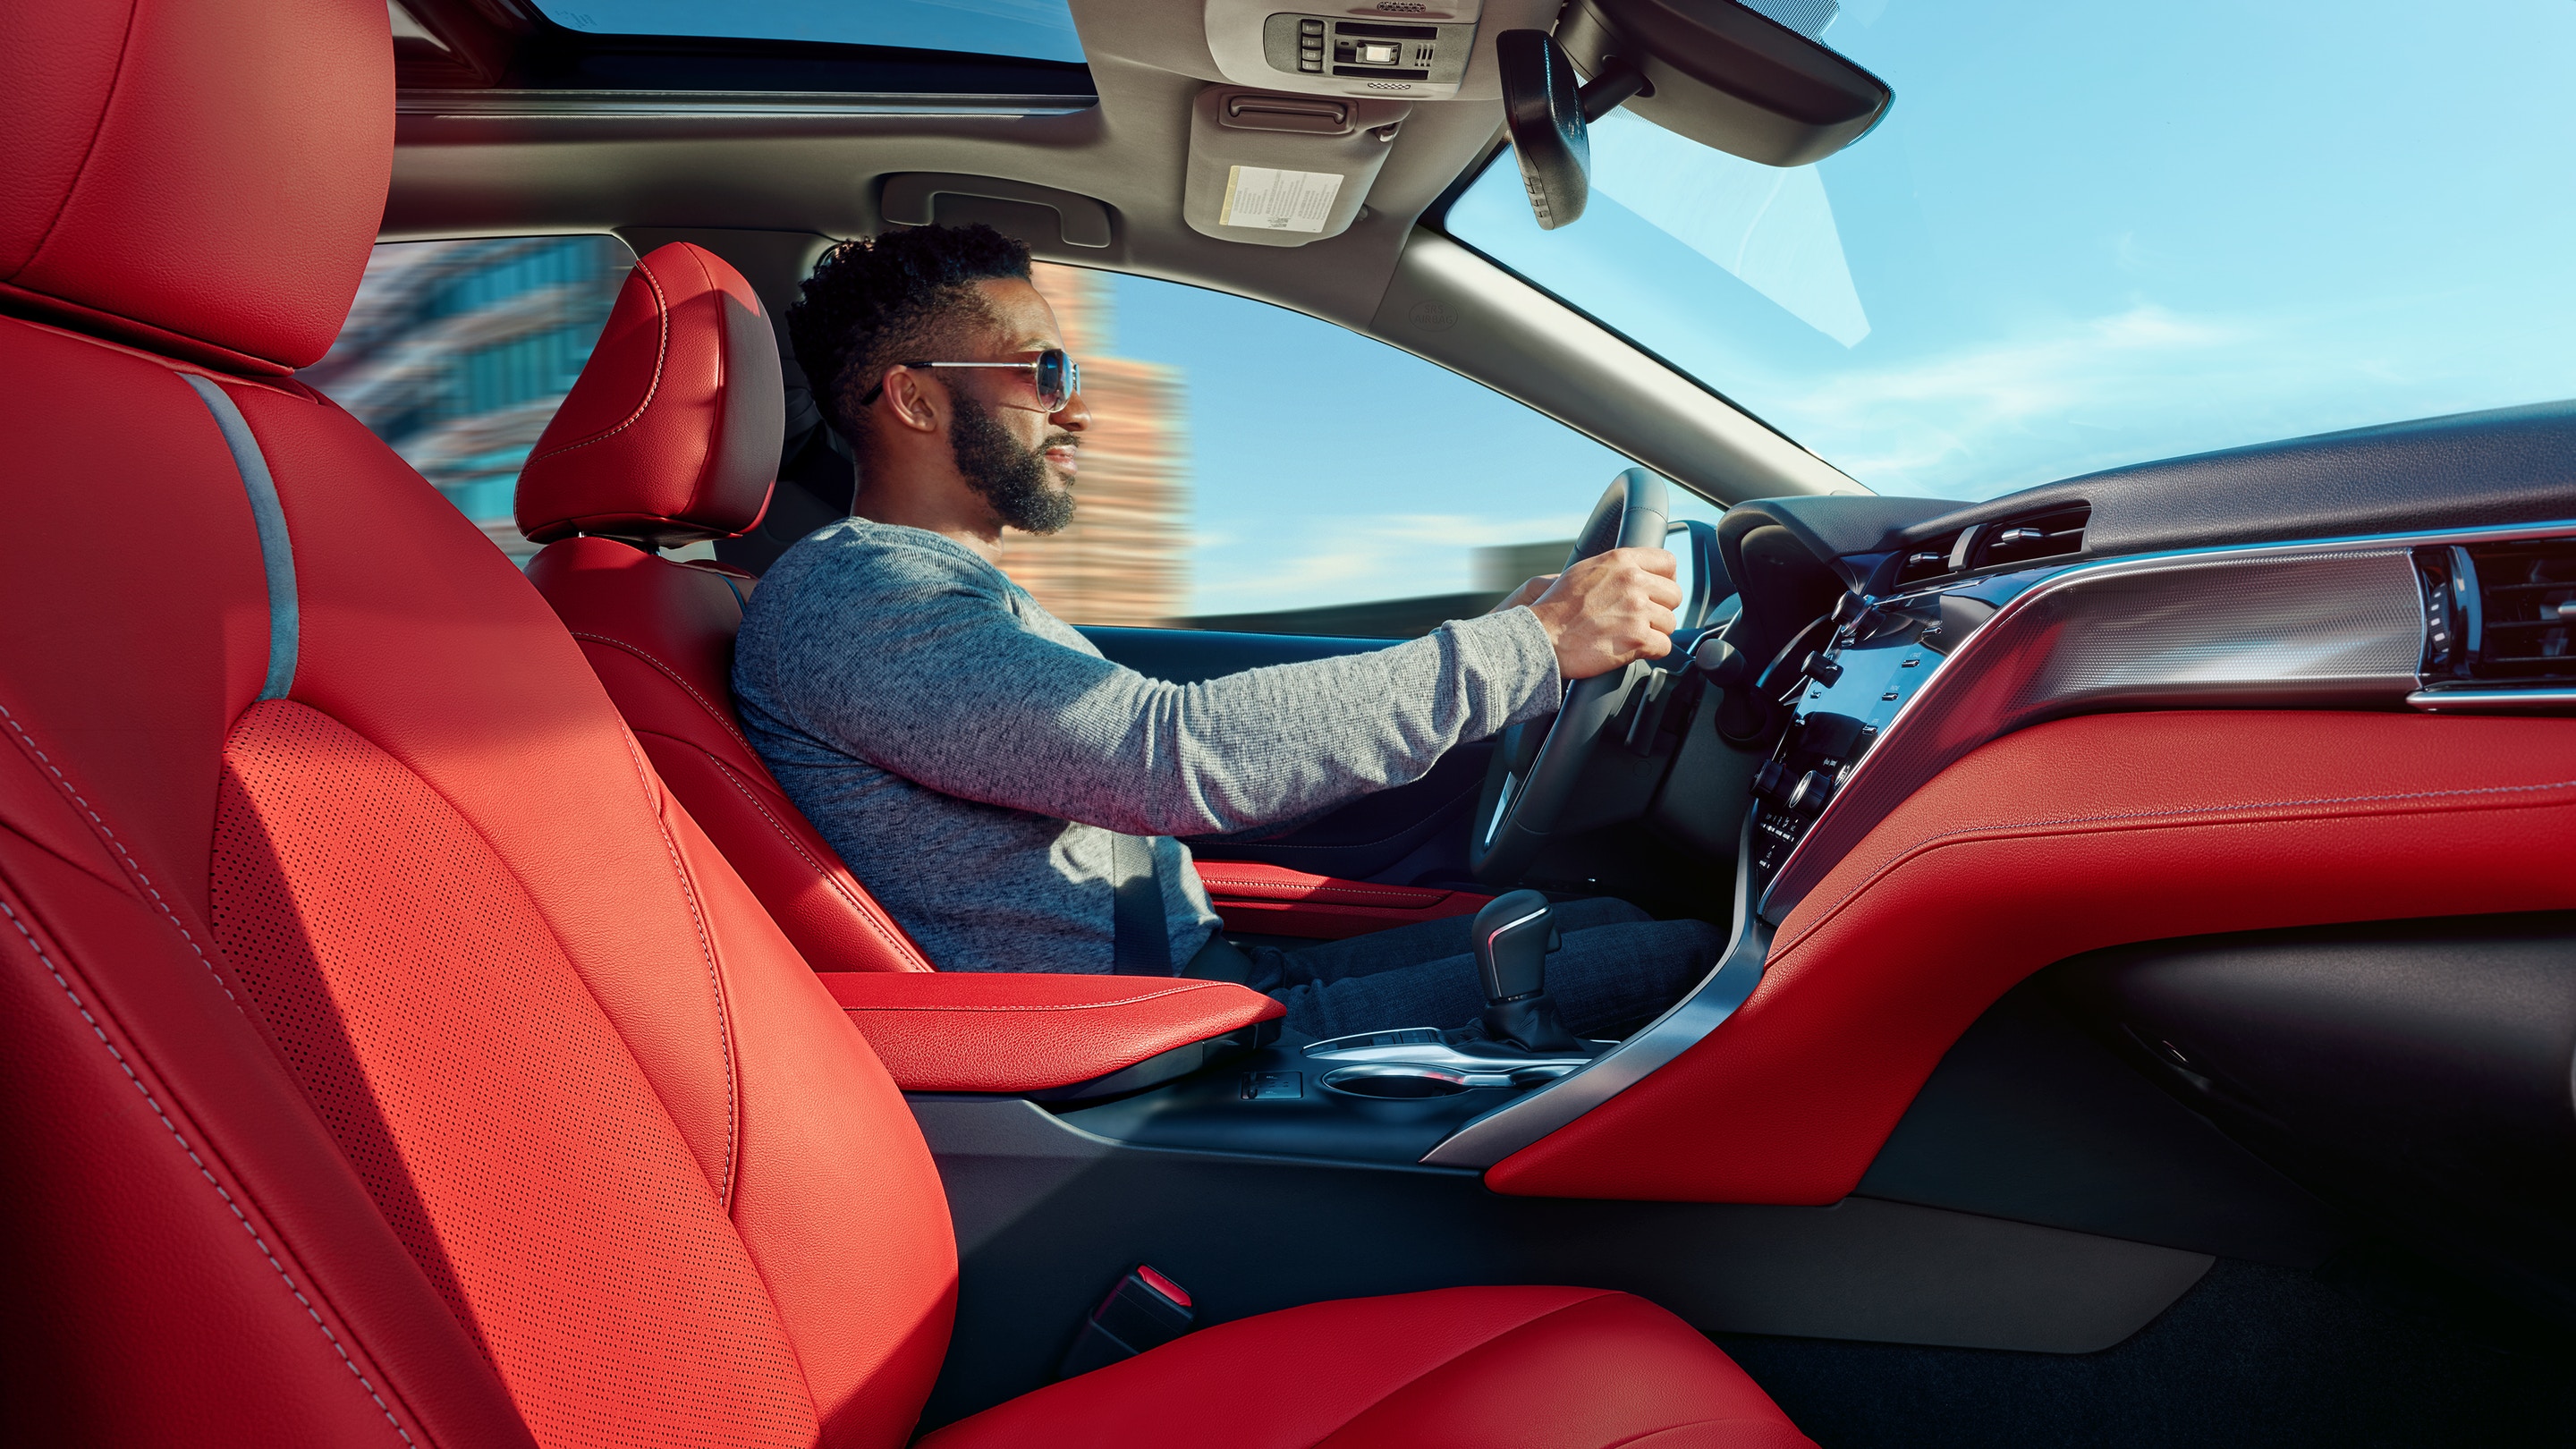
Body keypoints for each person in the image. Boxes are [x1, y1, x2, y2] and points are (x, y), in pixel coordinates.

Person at [734, 224, 1722, 1041]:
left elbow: (1148, 767)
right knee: (1687, 968)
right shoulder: (859, 594)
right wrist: (1534, 647)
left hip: (1193, 984)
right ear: (915, 397)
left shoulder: (935, 590)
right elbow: (1163, 756)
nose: (1074, 404)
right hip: (1144, 1041)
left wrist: (1512, 637)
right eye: (1044, 369)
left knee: (1616, 927)